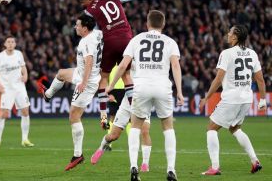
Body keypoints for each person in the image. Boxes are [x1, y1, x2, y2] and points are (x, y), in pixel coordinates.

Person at [76, 0, 171, 128]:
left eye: (82, 2)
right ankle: (136, 113)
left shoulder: (88, 11)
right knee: (127, 76)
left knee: (103, 78)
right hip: (127, 39)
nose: (82, 5)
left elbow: (94, 33)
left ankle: (103, 117)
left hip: (109, 40)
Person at [107, 10, 183, 181]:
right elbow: (176, 67)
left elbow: (123, 65)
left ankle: (134, 167)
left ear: (147, 24)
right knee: (168, 127)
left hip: (140, 87)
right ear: (163, 24)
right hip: (163, 87)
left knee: (135, 127)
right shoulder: (170, 42)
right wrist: (180, 91)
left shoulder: (137, 39)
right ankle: (171, 170)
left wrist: (111, 86)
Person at [199, 25, 266, 175]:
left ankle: (214, 167)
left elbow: (218, 79)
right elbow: (260, 79)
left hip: (231, 98)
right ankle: (255, 161)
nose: (227, 34)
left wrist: (207, 97)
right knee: (235, 129)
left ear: (235, 37)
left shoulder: (227, 53)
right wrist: (262, 100)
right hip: (246, 99)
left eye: (230, 32)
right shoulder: (252, 53)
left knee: (211, 128)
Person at [41, 14, 103, 171]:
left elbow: (89, 61)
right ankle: (47, 95)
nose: (75, 27)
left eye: (77, 25)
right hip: (82, 73)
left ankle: (78, 155)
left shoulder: (86, 41)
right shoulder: (98, 33)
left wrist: (83, 82)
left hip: (87, 81)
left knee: (74, 116)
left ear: (85, 28)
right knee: (61, 73)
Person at [91, 62, 152, 172]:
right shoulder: (128, 59)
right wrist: (111, 87)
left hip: (143, 101)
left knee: (145, 131)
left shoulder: (149, 64)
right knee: (113, 135)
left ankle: (145, 163)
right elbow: (121, 70)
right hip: (127, 101)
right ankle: (101, 148)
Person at [0, 36, 34, 149]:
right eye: (8, 42)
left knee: (25, 111)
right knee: (4, 113)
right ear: (5, 44)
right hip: (7, 88)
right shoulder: (0, 56)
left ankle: (25, 139)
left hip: (19, 87)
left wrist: (25, 75)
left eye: (12, 42)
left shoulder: (19, 54)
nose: (10, 43)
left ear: (15, 44)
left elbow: (23, 67)